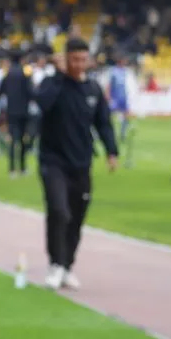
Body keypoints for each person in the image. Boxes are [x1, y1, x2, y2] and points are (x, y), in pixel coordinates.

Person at [35, 38, 118, 291]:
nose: (79, 64)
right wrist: (59, 76)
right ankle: (55, 264)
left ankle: (68, 265)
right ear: (65, 59)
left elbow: (103, 122)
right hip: (53, 160)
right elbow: (42, 103)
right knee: (59, 211)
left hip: (81, 163)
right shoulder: (53, 84)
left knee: (77, 217)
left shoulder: (92, 89)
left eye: (83, 60)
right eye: (74, 59)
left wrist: (111, 150)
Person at [0, 51, 35, 177]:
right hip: (23, 111)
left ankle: (12, 169)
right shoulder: (25, 74)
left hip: (11, 110)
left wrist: (2, 107)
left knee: (13, 140)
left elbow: (0, 92)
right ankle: (23, 167)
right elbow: (30, 92)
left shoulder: (7, 74)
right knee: (24, 139)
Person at [106, 55, 131, 143]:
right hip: (115, 98)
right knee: (109, 116)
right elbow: (109, 84)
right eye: (124, 61)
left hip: (123, 97)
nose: (125, 62)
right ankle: (109, 133)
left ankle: (122, 134)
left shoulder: (125, 71)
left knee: (126, 115)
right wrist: (108, 95)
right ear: (120, 61)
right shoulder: (113, 71)